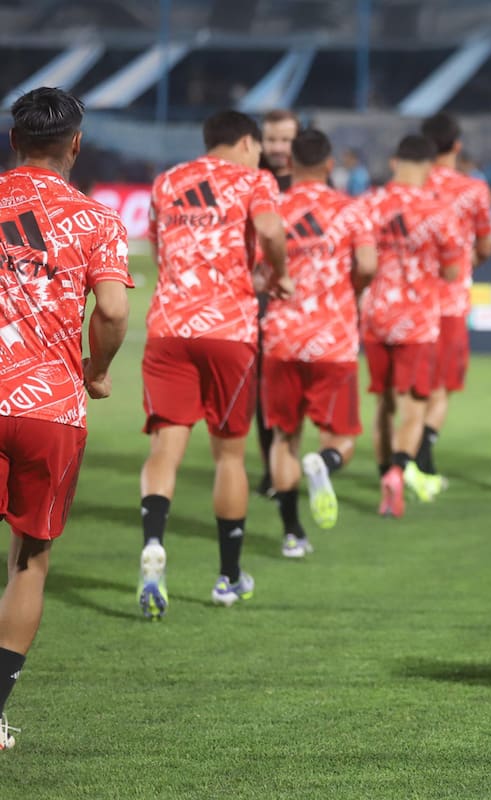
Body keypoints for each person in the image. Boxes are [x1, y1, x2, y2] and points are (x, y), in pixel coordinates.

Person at [0, 87, 132, 750]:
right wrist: (97, 369)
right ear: (75, 144)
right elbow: (111, 311)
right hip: (50, 405)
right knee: (29, 561)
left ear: (14, 140)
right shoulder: (97, 220)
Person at [138, 109, 291, 618]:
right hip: (228, 331)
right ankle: (228, 577)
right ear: (247, 142)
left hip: (168, 328)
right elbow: (270, 228)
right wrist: (275, 270)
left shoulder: (166, 181)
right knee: (228, 457)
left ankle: (153, 544)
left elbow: (159, 251)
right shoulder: (255, 179)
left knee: (165, 448)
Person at [261, 129, 376, 557]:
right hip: (333, 339)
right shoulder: (351, 210)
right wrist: (353, 286)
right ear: (330, 165)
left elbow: (257, 271)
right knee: (341, 437)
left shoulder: (273, 209)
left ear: (289, 163)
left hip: (282, 340)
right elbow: (367, 263)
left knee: (283, 438)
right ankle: (323, 465)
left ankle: (292, 533)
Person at [359, 134, 465, 517]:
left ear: (394, 161)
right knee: (414, 406)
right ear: (429, 168)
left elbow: (357, 260)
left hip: (375, 315)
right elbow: (453, 270)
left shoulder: (368, 204)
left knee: (383, 403)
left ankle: (382, 472)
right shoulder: (440, 211)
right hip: (418, 320)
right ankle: (399, 472)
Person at [417, 112, 491, 493]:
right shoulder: (474, 190)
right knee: (440, 388)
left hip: (407, 302)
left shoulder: (409, 188)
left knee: (403, 392)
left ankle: (395, 462)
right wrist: (463, 262)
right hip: (448, 304)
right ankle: (423, 459)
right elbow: (484, 246)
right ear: (457, 146)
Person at [253, 109, 300, 498]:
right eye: (273, 140)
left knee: (294, 388)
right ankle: (272, 469)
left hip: (303, 300)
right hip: (259, 298)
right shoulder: (253, 181)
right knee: (262, 389)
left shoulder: (312, 180)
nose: (279, 148)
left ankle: (289, 463)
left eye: (286, 140)